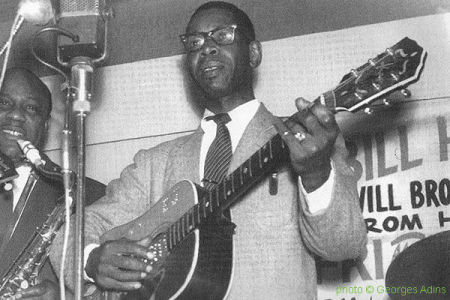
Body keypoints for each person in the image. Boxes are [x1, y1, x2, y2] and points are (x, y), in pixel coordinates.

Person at [51, 1, 367, 299]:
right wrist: (91, 260)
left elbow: (344, 245)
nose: (208, 47)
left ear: (254, 53)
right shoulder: (154, 163)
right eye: (195, 43)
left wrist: (315, 174)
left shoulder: (309, 140)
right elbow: (68, 237)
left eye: (222, 35)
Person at [0, 67, 105, 300]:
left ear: (46, 125)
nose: (15, 115)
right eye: (4, 103)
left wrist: (65, 298)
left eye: (30, 108)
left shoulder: (91, 195)